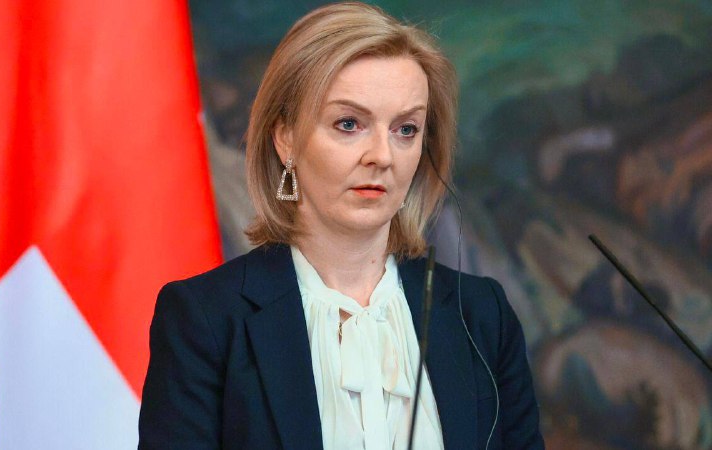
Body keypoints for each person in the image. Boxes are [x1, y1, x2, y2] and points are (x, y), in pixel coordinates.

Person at [138, 2, 544, 449]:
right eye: (349, 124)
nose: (382, 156)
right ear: (285, 138)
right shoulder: (206, 318)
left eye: (406, 129)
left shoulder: (482, 314)